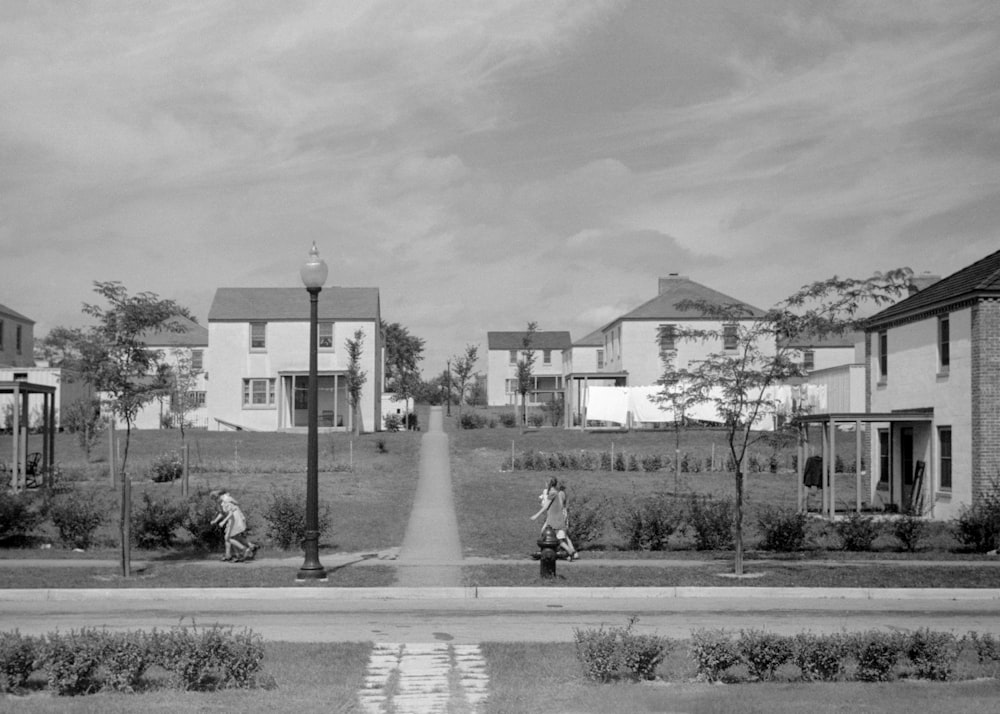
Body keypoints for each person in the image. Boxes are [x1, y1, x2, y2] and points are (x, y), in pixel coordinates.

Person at [530, 477, 578, 560]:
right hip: (556, 518)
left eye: (546, 483)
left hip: (554, 519)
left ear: (549, 484)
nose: (545, 484)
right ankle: (567, 553)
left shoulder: (552, 493)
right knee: (555, 538)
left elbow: (545, 506)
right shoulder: (557, 493)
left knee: (552, 537)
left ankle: (568, 553)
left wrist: (536, 515)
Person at [210, 490, 258, 562]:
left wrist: (223, 521)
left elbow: (231, 513)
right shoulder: (222, 502)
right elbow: (223, 513)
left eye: (215, 499)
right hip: (233, 519)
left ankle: (244, 550)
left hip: (235, 519)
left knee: (228, 537)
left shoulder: (225, 500)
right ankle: (234, 555)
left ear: (217, 497)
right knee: (233, 537)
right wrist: (215, 521)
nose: (215, 502)